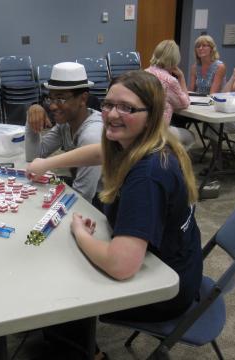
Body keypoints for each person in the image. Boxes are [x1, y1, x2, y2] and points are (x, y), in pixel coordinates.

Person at [27, 70, 203, 359]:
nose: (111, 114)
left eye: (127, 108)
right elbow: (99, 152)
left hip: (166, 289)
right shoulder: (146, 143)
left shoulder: (147, 176)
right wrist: (47, 163)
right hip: (179, 262)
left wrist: (81, 234)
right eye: (108, 104)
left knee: (60, 288)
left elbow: (121, 266)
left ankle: (88, 353)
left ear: (152, 114)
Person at [25, 62, 103, 206]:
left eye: (60, 99)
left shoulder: (92, 134)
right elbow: (33, 158)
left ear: (83, 99)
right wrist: (32, 118)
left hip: (103, 200)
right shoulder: (66, 124)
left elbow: (84, 197)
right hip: (81, 187)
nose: (53, 106)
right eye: (51, 98)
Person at [145, 40, 195, 149]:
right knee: (190, 137)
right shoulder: (170, 81)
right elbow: (185, 103)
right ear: (174, 59)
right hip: (158, 130)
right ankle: (175, 163)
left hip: (143, 126)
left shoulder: (145, 73)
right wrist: (181, 77)